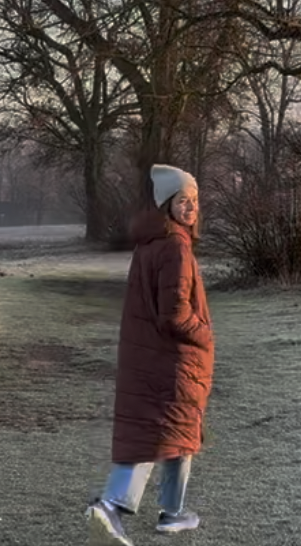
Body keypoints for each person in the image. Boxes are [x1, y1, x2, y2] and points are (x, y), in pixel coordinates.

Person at [86, 164, 216, 546]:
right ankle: (112, 506)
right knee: (156, 433)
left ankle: (173, 513)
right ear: (167, 205)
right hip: (170, 358)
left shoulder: (154, 242)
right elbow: (174, 314)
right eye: (182, 201)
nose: (190, 207)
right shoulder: (175, 246)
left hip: (152, 356)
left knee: (177, 429)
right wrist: (204, 335)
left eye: (194, 200)